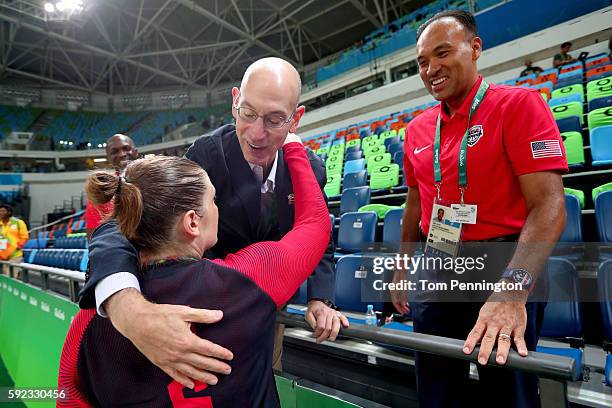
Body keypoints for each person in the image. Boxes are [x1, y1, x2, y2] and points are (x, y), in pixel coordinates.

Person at [78, 57, 346, 387]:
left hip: (270, 313)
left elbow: (320, 239)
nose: (257, 134)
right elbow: (127, 219)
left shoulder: (311, 170)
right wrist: (125, 305)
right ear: (234, 101)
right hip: (204, 314)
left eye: (275, 119)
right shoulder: (205, 154)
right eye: (247, 113)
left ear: (296, 119)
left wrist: (321, 298)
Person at [58, 135, 331, 406]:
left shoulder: (95, 315)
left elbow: (69, 396)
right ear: (192, 222)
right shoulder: (252, 278)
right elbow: (315, 223)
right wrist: (293, 145)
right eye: (212, 200)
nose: (217, 208)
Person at [392, 10, 567, 407]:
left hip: (503, 263)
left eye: (442, 53)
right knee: (435, 388)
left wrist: (511, 291)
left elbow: (550, 206)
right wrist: (403, 268)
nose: (431, 69)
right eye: (422, 62)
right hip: (439, 264)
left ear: (475, 49)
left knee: (508, 391)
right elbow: (415, 202)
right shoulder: (417, 129)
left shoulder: (520, 106)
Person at [85, 134, 139, 239]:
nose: (122, 154)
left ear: (136, 152)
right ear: (109, 158)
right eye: (114, 152)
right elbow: (94, 240)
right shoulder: (101, 190)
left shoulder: (156, 180)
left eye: (126, 148)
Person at [0, 204, 29, 275]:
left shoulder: (18, 223)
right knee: (5, 276)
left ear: (9, 212)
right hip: (2, 254)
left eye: (3, 211)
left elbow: (24, 236)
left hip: (15, 254)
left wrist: (17, 246)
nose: (1, 213)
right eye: (0, 211)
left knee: (11, 275)